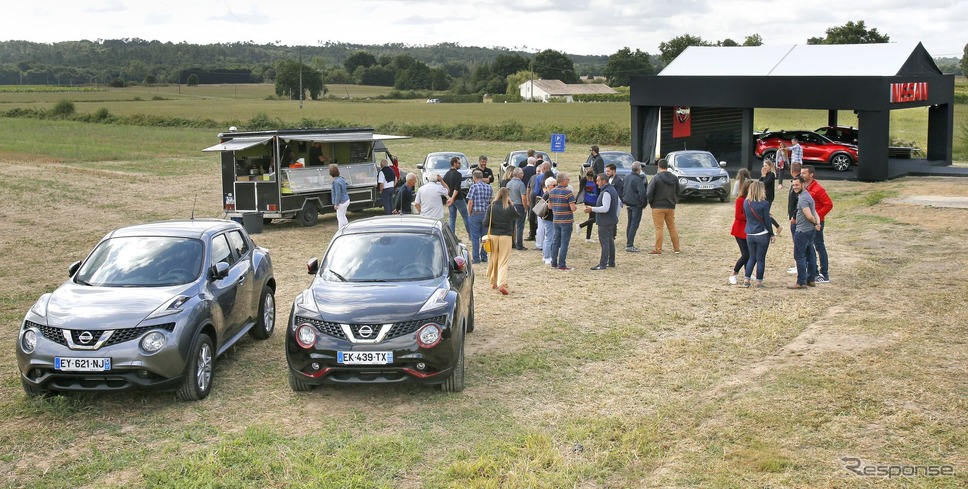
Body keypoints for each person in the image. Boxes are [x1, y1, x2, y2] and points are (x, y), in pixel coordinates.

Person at [482, 187, 520, 295]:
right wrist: (512, 204)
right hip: (506, 236)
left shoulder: (491, 207)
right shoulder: (509, 208)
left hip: (493, 236)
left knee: (494, 258)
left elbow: (485, 223)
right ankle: (501, 283)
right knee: (503, 260)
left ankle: (493, 281)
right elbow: (518, 216)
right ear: (507, 196)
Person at [801, 165, 833, 283]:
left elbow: (828, 204)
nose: (802, 175)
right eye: (801, 173)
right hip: (808, 222)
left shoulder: (818, 189)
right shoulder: (805, 188)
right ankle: (813, 272)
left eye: (804, 173)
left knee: (819, 246)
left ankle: (824, 274)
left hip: (816, 222)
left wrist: (816, 217)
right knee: (810, 247)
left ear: (811, 174)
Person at [788, 176, 821, 289]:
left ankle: (801, 282)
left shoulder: (802, 199)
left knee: (800, 256)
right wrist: (817, 223)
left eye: (797, 185)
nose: (795, 187)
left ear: (803, 184)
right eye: (793, 185)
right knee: (810, 254)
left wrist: (815, 222)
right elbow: (815, 212)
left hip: (802, 231)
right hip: (810, 231)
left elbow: (809, 215)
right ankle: (811, 279)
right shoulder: (808, 196)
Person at [742, 180, 776, 288]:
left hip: (750, 233)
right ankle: (759, 281)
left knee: (752, 257)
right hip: (762, 233)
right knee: (760, 259)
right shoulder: (764, 204)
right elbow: (767, 220)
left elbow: (746, 216)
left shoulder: (746, 202)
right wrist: (772, 234)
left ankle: (746, 279)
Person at [585, 173, 620, 270]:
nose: (596, 182)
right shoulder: (612, 189)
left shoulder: (606, 192)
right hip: (611, 220)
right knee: (610, 241)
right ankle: (611, 262)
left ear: (603, 181)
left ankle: (603, 264)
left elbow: (605, 208)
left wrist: (592, 209)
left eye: (598, 180)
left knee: (604, 243)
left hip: (605, 221)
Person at [646, 158, 681, 254]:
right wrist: (674, 201)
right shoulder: (674, 178)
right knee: (672, 227)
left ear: (658, 166)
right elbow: (678, 191)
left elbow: (649, 192)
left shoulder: (656, 178)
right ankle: (676, 248)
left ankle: (658, 248)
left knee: (659, 228)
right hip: (670, 206)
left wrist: (651, 202)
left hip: (657, 206)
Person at [548, 172, 578, 271]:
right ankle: (562, 264)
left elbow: (549, 206)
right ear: (564, 180)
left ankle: (553, 262)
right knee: (564, 243)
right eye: (568, 179)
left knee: (555, 241)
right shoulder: (568, 192)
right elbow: (573, 208)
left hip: (556, 219)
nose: (569, 181)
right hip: (566, 220)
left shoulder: (552, 191)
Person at [466, 169, 493, 264]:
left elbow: (470, 202)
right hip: (485, 214)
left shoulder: (474, 187)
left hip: (476, 213)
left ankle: (476, 258)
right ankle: (484, 256)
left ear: (474, 178)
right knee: (485, 237)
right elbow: (491, 202)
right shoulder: (489, 187)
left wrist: (469, 213)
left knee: (475, 237)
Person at [728, 179, 753, 285]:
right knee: (745, 255)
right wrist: (750, 215)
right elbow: (738, 216)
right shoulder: (741, 200)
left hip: (749, 231)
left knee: (750, 254)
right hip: (740, 231)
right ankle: (734, 274)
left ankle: (748, 273)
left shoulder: (752, 200)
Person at [443, 156, 471, 238]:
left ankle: (452, 236)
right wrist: (453, 198)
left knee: (452, 217)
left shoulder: (447, 174)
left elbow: (444, 186)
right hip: (458, 198)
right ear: (454, 163)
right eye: (459, 163)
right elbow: (457, 188)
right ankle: (470, 234)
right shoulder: (458, 174)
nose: (460, 164)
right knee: (465, 217)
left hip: (450, 199)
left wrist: (449, 197)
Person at [622, 162, 647, 252]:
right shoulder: (638, 179)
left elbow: (623, 189)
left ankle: (629, 242)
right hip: (636, 204)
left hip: (628, 203)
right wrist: (644, 204)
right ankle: (629, 244)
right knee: (634, 225)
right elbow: (642, 193)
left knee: (630, 224)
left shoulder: (626, 177)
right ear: (638, 169)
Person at [505, 168, 528, 250]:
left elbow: (506, 196)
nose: (523, 174)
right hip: (519, 206)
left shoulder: (509, 183)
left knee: (511, 225)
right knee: (519, 226)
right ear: (518, 174)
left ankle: (511, 243)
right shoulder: (521, 184)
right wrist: (525, 208)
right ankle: (519, 244)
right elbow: (524, 198)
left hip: (511, 205)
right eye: (522, 173)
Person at [576, 169, 599, 242]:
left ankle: (588, 237)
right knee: (595, 218)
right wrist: (578, 200)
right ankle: (580, 225)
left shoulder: (596, 179)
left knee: (591, 218)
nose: (589, 179)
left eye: (590, 178)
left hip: (596, 200)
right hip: (588, 201)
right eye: (588, 177)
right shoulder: (583, 180)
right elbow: (581, 190)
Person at [539, 177, 558, 266]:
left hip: (549, 218)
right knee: (549, 237)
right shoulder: (548, 195)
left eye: (556, 185)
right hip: (548, 219)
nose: (556, 186)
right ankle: (547, 256)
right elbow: (549, 207)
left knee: (549, 237)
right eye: (554, 185)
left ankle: (545, 253)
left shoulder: (548, 194)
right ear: (548, 186)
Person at [521, 156, 538, 241]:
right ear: (534, 163)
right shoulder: (533, 176)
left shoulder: (523, 170)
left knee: (531, 216)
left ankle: (533, 233)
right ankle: (533, 233)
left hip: (525, 194)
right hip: (531, 198)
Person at [330, 164, 350, 229]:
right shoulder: (341, 179)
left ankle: (341, 230)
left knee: (340, 217)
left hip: (341, 202)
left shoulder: (336, 182)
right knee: (343, 215)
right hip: (346, 199)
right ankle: (346, 228)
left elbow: (338, 194)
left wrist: (336, 204)